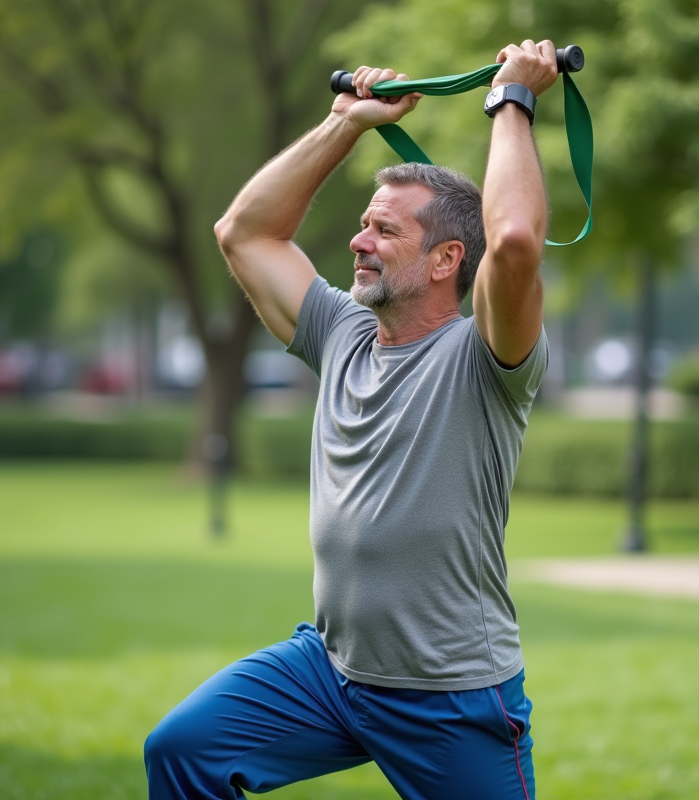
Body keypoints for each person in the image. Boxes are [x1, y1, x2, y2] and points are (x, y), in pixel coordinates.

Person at [145, 39, 560, 800]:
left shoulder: (486, 358)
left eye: (385, 232)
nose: (357, 241)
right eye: (365, 224)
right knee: (182, 751)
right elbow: (244, 232)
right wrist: (347, 123)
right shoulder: (340, 332)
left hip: (450, 695)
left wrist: (513, 100)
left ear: (446, 261)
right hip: (329, 673)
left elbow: (513, 243)